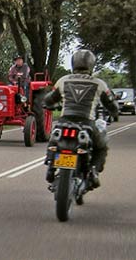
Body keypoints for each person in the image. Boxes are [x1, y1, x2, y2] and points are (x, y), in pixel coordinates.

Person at [44, 49, 118, 188]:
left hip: (64, 121)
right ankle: (94, 172)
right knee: (101, 146)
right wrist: (114, 112)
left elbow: (49, 100)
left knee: (54, 140)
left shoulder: (63, 80)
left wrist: (48, 105)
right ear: (91, 65)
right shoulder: (99, 83)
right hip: (87, 123)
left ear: (73, 63)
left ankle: (51, 166)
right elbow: (111, 105)